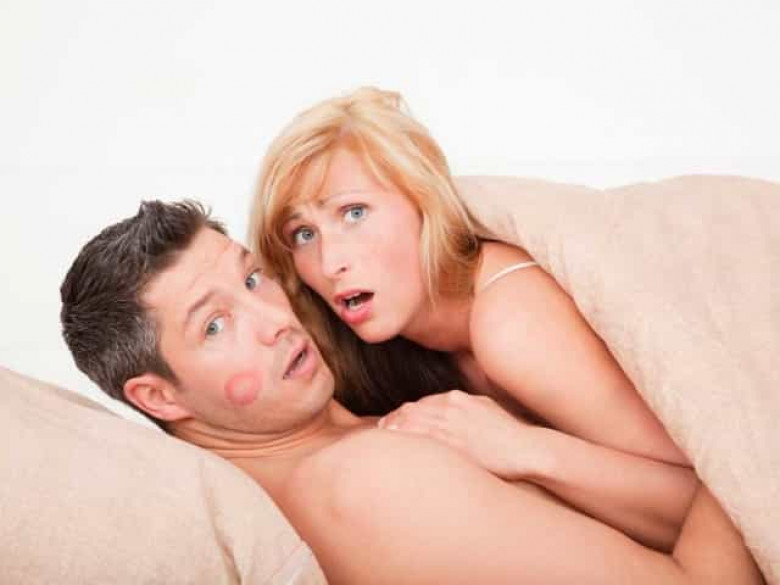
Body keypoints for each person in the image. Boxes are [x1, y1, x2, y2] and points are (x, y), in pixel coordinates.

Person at [59, 200, 762, 584]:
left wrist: (531, 450)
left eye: (252, 279)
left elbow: (695, 504)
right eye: (215, 325)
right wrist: (750, 352)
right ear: (160, 398)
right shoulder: (363, 483)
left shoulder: (374, 423)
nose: (275, 320)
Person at [250, 87, 700, 549]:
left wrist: (522, 448)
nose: (329, 263)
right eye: (303, 234)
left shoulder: (513, 324)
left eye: (354, 212)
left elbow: (710, 495)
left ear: (424, 202)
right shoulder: (376, 350)